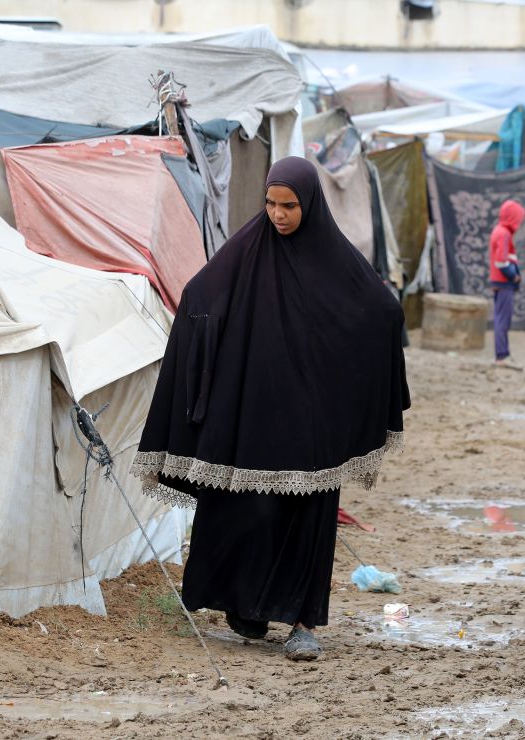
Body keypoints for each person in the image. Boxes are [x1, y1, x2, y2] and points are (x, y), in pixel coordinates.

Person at [131, 157, 410, 662]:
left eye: (289, 206)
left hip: (313, 421)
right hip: (254, 409)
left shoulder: (334, 258)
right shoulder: (248, 249)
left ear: (310, 204)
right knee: (246, 508)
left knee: (308, 519)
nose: (277, 215)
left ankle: (304, 624)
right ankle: (248, 608)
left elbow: (382, 309)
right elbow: (200, 294)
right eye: (270, 203)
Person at [489, 199, 525, 366]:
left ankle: (503, 354)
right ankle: (501, 356)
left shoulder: (499, 231)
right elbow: (501, 261)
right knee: (503, 320)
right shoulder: (504, 233)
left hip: (498, 281)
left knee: (500, 318)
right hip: (504, 282)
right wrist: (513, 276)